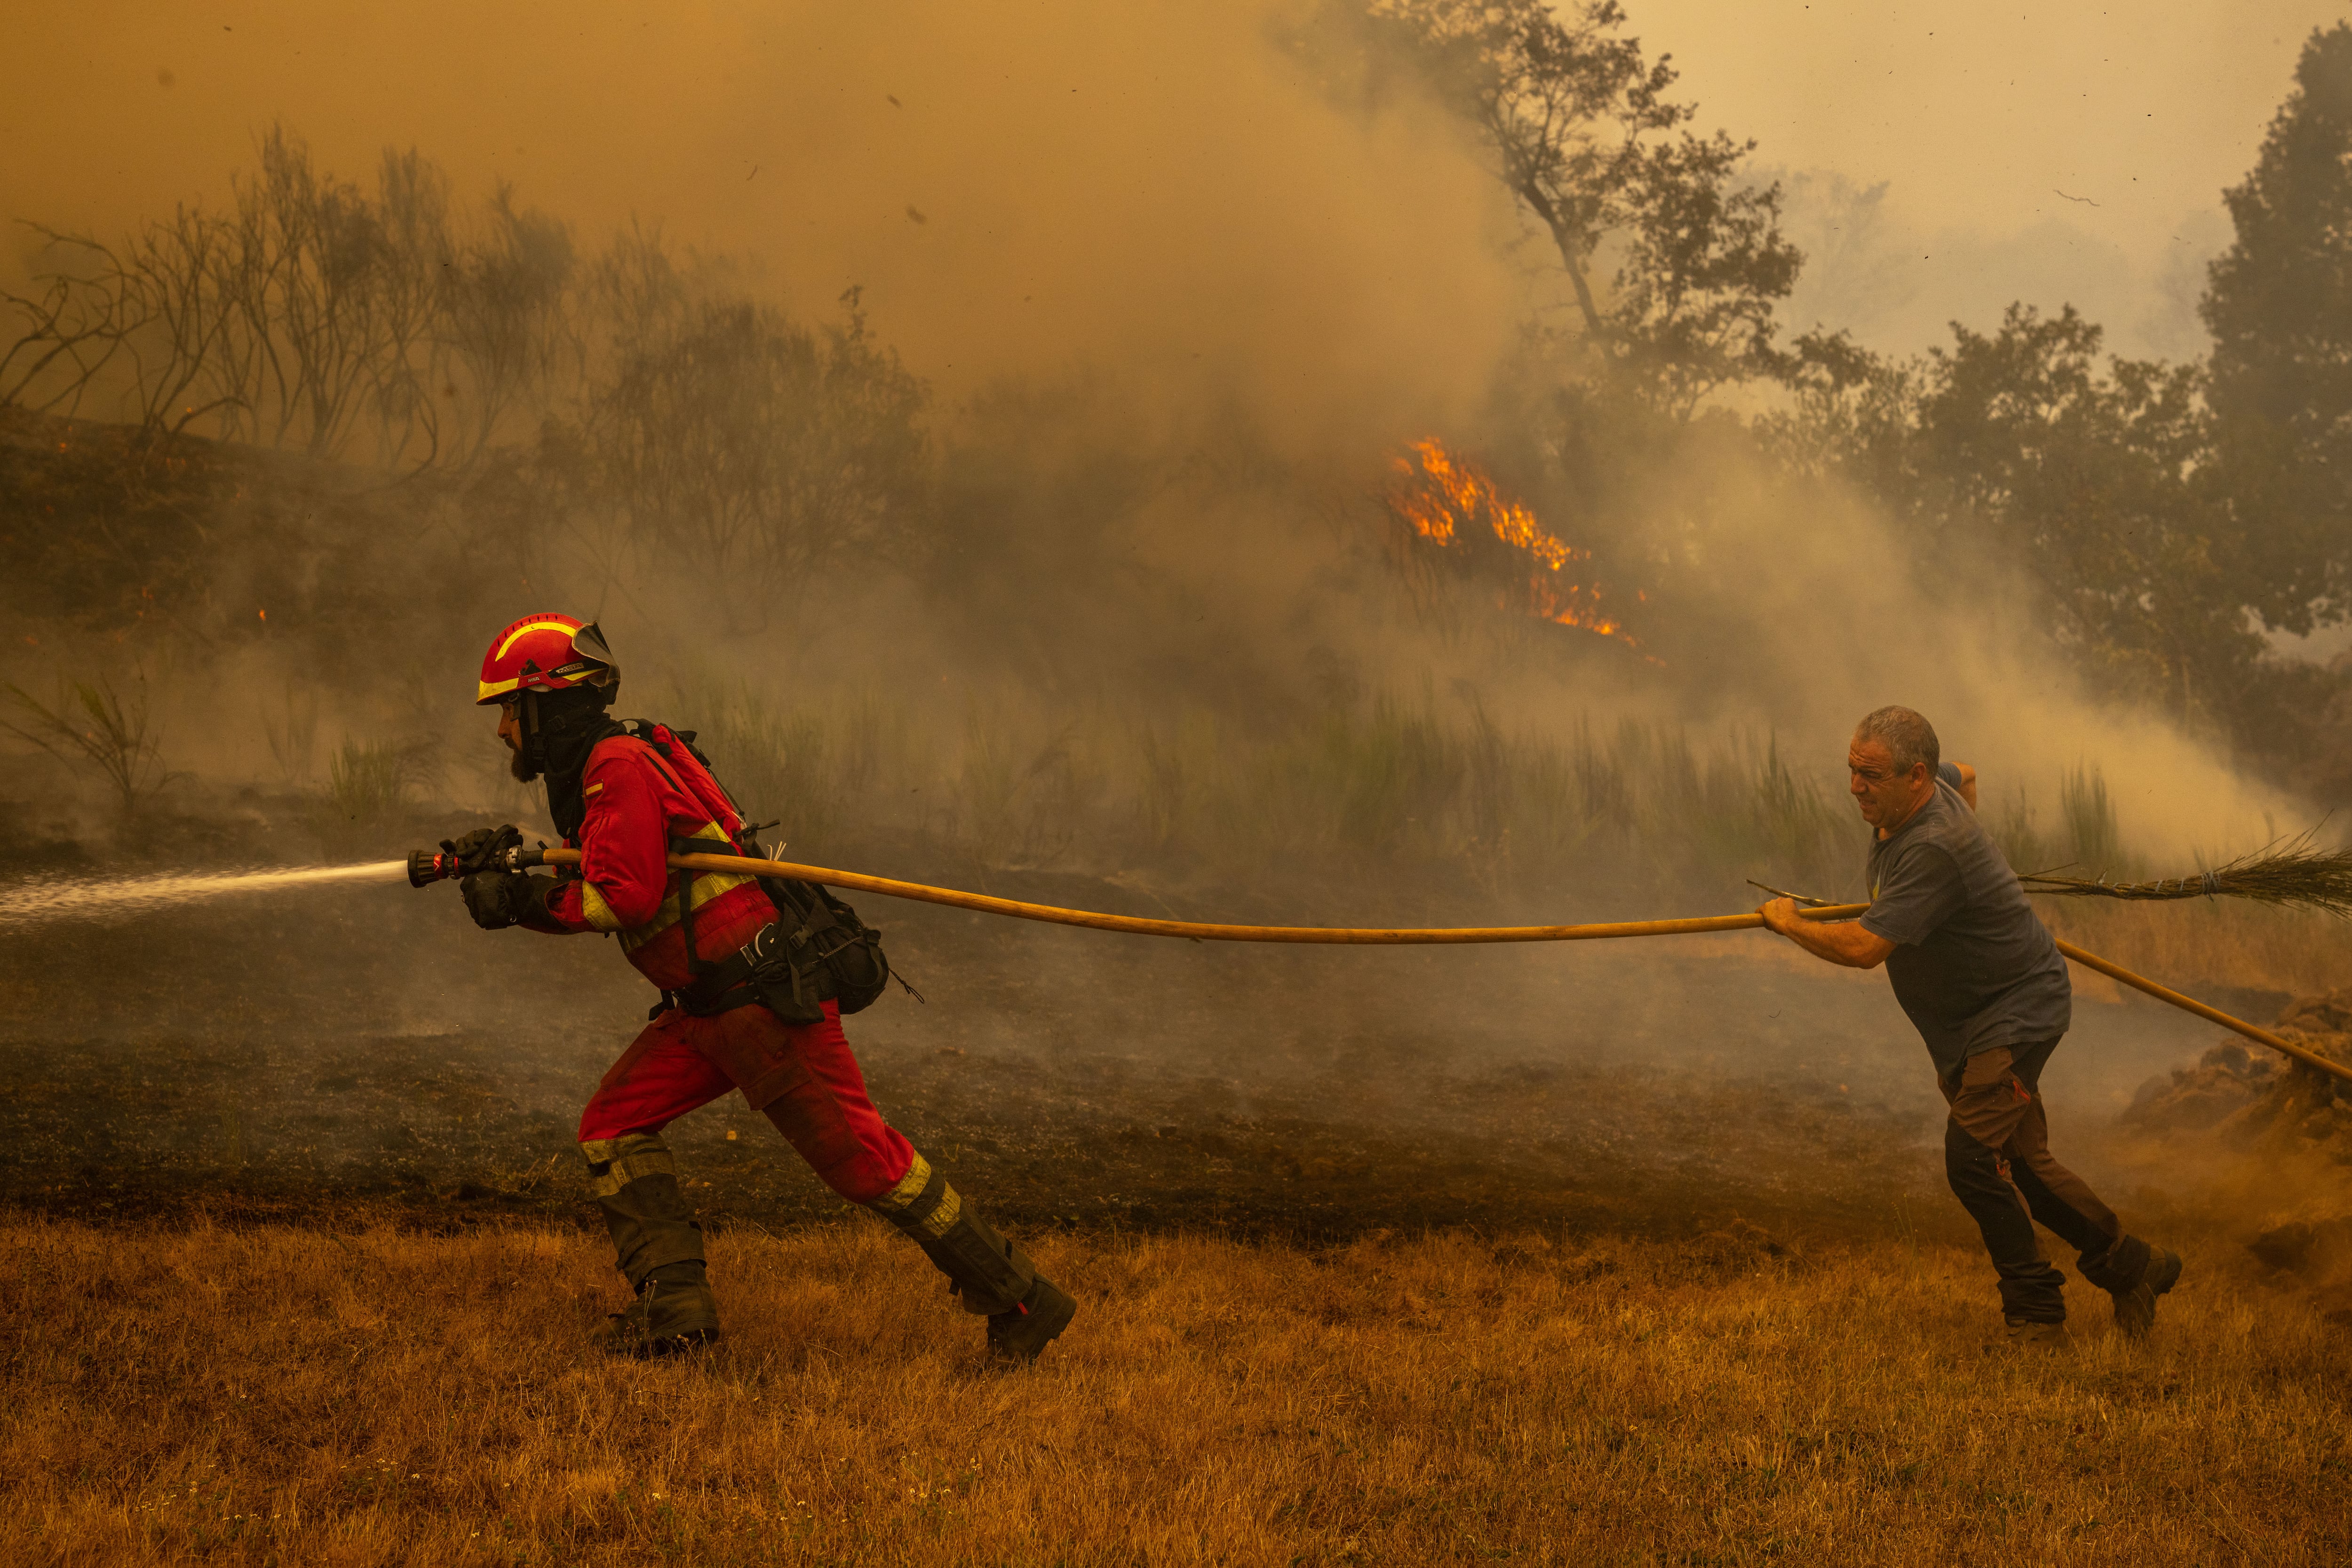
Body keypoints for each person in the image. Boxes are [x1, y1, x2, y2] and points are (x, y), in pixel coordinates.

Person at [443, 612, 1076, 1362]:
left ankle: (1023, 1299)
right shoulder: (610, 765)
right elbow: (615, 881)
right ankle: (676, 1315)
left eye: (510, 710)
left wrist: (520, 902)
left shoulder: (616, 767)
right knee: (612, 1127)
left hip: (758, 1003)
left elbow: (625, 899)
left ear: (550, 702)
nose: (503, 731)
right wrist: (512, 874)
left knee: (868, 1163)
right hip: (709, 1006)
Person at [1757, 705, 2180, 1347]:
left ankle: (2036, 1315)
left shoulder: (1933, 848)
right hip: (1974, 1017)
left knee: (1971, 1157)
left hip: (2016, 1013)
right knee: (2027, 1163)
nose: (1855, 788)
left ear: (1917, 776)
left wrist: (1790, 922)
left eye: (1870, 775)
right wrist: (1978, 874)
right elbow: (1972, 775)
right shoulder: (1937, 794)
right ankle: (2134, 1267)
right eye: (1851, 771)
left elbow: (1865, 949)